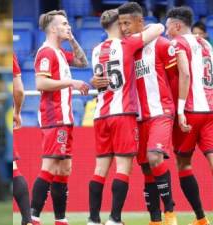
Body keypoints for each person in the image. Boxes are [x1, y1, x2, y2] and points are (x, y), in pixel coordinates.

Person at [88, 8, 164, 225]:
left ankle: (93, 219)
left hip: (101, 113)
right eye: (122, 23)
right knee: (123, 168)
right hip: (123, 113)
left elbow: (98, 78)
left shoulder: (96, 50)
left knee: (99, 169)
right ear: (118, 25)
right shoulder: (127, 44)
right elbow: (159, 28)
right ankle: (114, 218)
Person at [117, 3, 178, 225]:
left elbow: (174, 78)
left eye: (127, 22)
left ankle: (170, 212)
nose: (123, 28)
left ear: (140, 22)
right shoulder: (125, 49)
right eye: (121, 23)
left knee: (155, 157)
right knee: (145, 167)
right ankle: (155, 220)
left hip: (161, 112)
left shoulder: (161, 45)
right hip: (137, 117)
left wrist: (178, 110)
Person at [30, 9, 89, 225]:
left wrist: (72, 39)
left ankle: (60, 220)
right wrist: (72, 83)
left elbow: (82, 62)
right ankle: (32, 218)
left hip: (65, 118)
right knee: (50, 166)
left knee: (64, 169)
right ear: (53, 28)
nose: (68, 27)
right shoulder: (46, 53)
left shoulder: (61, 53)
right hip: (54, 117)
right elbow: (41, 83)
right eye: (64, 24)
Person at [165, 6, 213, 225]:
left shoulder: (178, 42)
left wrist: (180, 108)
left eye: (167, 28)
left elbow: (184, 72)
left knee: (184, 164)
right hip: (210, 111)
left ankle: (201, 218)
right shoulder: (205, 43)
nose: (166, 33)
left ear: (176, 26)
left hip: (191, 110)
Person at [12, 53, 32, 225]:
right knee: (13, 168)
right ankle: (27, 219)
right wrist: (17, 112)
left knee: (12, 169)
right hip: (7, 109)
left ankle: (27, 219)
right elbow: (18, 89)